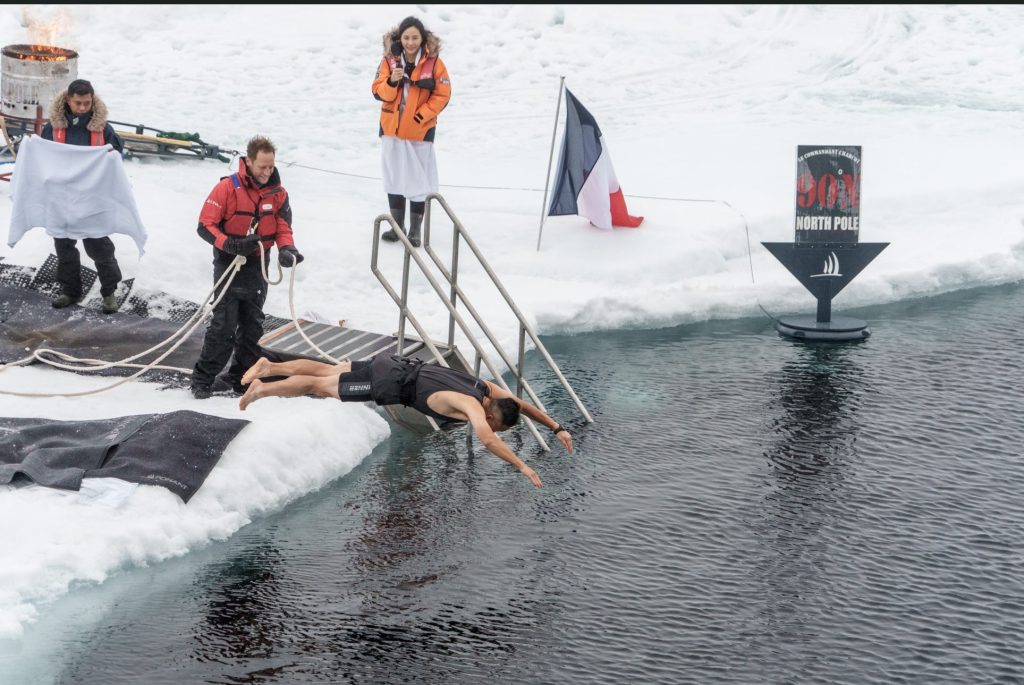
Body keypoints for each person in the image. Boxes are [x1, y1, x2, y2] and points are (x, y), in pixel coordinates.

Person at [238, 353, 574, 488]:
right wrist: (522, 466)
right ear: (489, 415)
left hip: (397, 364)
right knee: (320, 386)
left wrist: (556, 427)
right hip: (389, 383)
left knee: (329, 370)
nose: (490, 429)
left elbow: (523, 406)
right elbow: (488, 440)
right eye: (497, 425)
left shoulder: (486, 388)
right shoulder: (473, 407)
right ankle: (261, 390)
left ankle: (270, 367)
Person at [190, 135, 304, 400]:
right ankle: (202, 379)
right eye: (262, 166)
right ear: (249, 162)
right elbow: (205, 225)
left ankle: (241, 377)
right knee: (223, 325)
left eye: (271, 167)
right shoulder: (227, 188)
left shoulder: (279, 193)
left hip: (258, 263)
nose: (267, 172)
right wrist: (229, 244)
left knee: (252, 325)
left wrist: (287, 249)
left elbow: (282, 225)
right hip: (229, 262)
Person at [41, 79, 125, 314]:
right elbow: (42, 158)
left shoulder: (103, 128)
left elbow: (117, 157)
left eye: (87, 103)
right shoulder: (53, 128)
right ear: (68, 100)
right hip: (62, 199)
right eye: (78, 103)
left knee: (100, 248)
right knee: (64, 248)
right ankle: (70, 290)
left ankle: (109, 292)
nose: (82, 108)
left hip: (91, 200)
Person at [372, 16, 452, 248]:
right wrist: (392, 82)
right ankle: (397, 227)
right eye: (406, 37)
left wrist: (421, 115)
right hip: (391, 130)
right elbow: (378, 91)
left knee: (419, 178)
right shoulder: (388, 61)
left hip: (420, 130)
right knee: (394, 176)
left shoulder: (435, 62)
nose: (410, 42)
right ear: (400, 37)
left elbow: (442, 94)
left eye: (415, 37)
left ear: (422, 38)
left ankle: (415, 230)